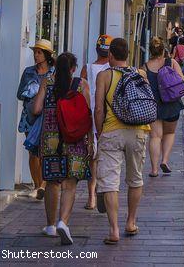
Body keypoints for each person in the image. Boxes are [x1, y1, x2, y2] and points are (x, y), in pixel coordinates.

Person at [30, 51, 92, 245]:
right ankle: (63, 222)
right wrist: (90, 141)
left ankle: (50, 225)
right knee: (70, 183)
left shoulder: (47, 83)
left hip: (51, 139)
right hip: (74, 138)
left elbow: (36, 109)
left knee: (52, 182)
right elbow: (87, 114)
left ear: (56, 67)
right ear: (73, 69)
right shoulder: (80, 85)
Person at [95, 38, 151, 243]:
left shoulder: (104, 76)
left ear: (110, 55)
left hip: (111, 131)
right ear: (128, 54)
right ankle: (131, 222)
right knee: (135, 178)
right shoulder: (141, 74)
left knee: (110, 181)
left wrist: (98, 132)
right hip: (138, 131)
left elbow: (99, 108)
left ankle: (114, 230)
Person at [17, 39, 55, 201]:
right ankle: (37, 185)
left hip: (48, 117)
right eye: (35, 52)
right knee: (33, 152)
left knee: (46, 152)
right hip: (30, 117)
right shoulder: (28, 72)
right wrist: (32, 91)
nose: (36, 55)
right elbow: (19, 94)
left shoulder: (53, 73)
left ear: (46, 55)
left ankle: (43, 186)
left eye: (39, 52)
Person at [143, 37, 184, 177]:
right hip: (172, 104)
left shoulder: (145, 67)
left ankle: (154, 170)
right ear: (163, 49)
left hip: (154, 106)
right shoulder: (171, 62)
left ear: (151, 50)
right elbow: (181, 80)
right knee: (169, 133)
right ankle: (165, 161)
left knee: (155, 136)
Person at [80, 35, 113, 209]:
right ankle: (103, 192)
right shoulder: (113, 69)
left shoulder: (87, 69)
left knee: (92, 157)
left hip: (89, 115)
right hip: (107, 116)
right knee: (106, 156)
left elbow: (80, 93)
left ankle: (91, 196)